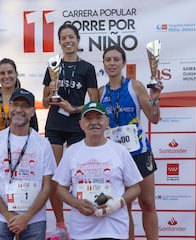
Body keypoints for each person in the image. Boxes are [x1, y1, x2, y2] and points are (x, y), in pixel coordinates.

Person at [99, 45, 163, 240]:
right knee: (122, 206)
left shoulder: (135, 86)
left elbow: (153, 118)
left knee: (148, 203)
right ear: (103, 63)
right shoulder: (101, 91)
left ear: (123, 63)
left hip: (139, 152)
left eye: (116, 59)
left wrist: (154, 100)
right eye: (108, 60)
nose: (112, 63)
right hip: (115, 156)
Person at [53, 101, 143, 240]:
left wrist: (118, 203)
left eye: (99, 118)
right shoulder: (72, 152)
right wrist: (77, 204)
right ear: (81, 124)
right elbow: (60, 189)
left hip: (114, 230)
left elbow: (135, 188)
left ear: (107, 121)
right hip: (82, 231)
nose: (94, 122)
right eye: (88, 119)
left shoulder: (120, 151)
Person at [42, 22, 99, 237]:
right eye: (64, 38)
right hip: (55, 125)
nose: (68, 41)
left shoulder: (87, 68)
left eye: (71, 37)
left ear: (77, 40)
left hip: (77, 126)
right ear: (59, 42)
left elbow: (95, 103)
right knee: (56, 177)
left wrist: (73, 108)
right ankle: (60, 223)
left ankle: (81, 218)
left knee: (78, 175)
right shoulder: (53, 65)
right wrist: (52, 93)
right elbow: (45, 101)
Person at [0, 88, 56, 240]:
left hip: (34, 219)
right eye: (15, 105)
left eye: (25, 106)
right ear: (10, 107)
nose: (19, 110)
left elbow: (48, 186)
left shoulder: (43, 144)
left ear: (33, 111)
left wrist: (26, 217)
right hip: (0, 217)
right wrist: (8, 215)